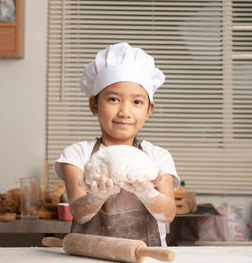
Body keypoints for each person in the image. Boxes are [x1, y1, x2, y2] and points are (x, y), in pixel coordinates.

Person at [54, 42, 180, 247]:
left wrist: (146, 192)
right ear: (94, 104)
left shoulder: (157, 157)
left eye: (137, 102)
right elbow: (79, 213)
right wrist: (98, 196)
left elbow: (167, 215)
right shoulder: (77, 154)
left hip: (145, 257)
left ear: (149, 110)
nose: (125, 112)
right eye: (114, 99)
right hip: (91, 258)